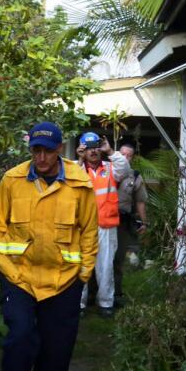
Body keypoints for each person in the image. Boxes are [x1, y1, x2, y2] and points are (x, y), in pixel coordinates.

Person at [0, 121, 97, 371]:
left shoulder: (79, 183)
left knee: (55, 355)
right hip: (18, 278)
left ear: (61, 149)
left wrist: (84, 272)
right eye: (37, 150)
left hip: (63, 282)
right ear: (31, 149)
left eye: (48, 150)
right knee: (19, 342)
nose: (42, 157)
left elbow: (89, 231)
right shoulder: (12, 180)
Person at [76, 132, 129, 317]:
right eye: (88, 148)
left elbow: (125, 169)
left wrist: (110, 150)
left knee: (105, 266)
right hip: (81, 228)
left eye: (96, 147)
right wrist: (79, 160)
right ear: (83, 150)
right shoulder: (77, 169)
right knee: (80, 265)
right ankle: (78, 305)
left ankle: (106, 304)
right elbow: (68, 176)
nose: (93, 151)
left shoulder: (110, 168)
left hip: (106, 226)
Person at [113, 140, 147, 306]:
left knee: (118, 258)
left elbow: (140, 201)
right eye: (122, 154)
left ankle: (116, 294)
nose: (125, 158)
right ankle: (91, 294)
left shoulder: (134, 176)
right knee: (95, 257)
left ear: (132, 158)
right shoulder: (105, 170)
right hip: (99, 221)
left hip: (121, 221)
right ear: (116, 154)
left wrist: (143, 222)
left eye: (129, 155)